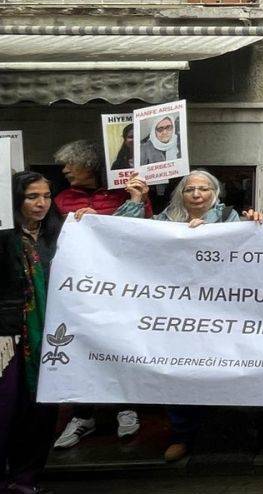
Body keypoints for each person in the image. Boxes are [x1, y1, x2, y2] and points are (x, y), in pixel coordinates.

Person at [107, 170, 263, 462]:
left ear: (215, 193)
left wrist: (252, 224)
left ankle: (221, 434)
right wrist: (135, 199)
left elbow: (245, 254)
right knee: (176, 371)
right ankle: (182, 433)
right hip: (173, 312)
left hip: (219, 311)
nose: (196, 194)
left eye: (204, 189)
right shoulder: (164, 221)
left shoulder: (230, 217)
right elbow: (120, 235)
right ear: (181, 193)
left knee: (220, 370)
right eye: (190, 189)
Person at [50, 139, 146, 450]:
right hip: (82, 290)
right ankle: (82, 415)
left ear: (90, 166)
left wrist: (136, 199)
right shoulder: (62, 199)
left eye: (70, 164)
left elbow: (142, 233)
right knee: (82, 348)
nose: (65, 170)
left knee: (120, 346)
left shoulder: (123, 194)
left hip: (122, 288)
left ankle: (127, 407)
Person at [1, 173, 62, 494]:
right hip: (7, 339)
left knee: (40, 412)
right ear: (14, 199)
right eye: (31, 196)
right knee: (6, 409)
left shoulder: (59, 235)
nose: (41, 204)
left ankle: (26, 478)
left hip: (51, 339)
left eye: (47, 196)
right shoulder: (4, 237)